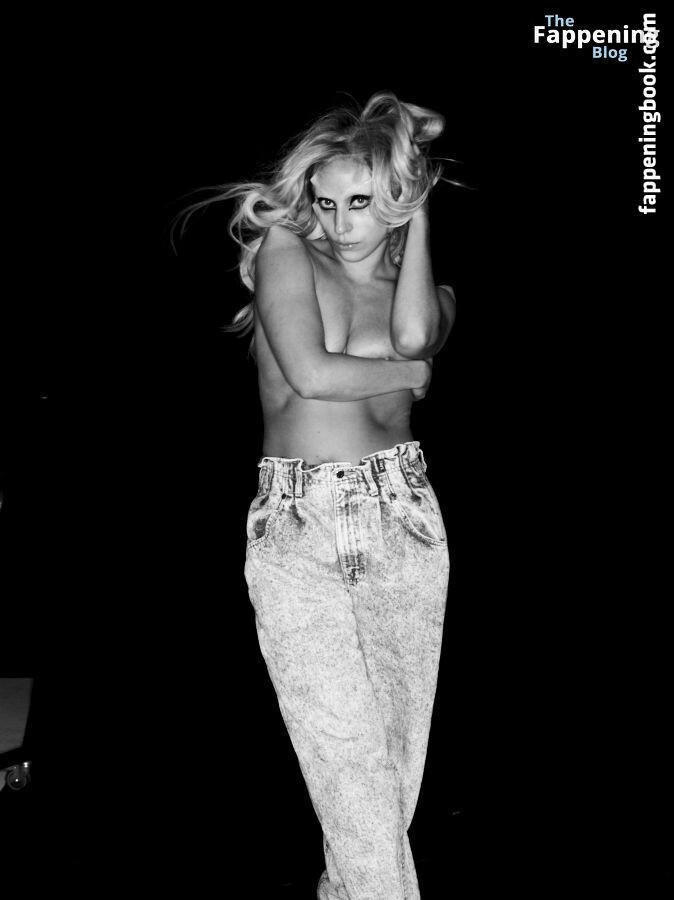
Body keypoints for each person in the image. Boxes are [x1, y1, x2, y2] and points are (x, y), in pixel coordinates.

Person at [174, 90, 457, 900]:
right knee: (350, 771)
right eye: (327, 203)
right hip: (298, 524)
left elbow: (415, 334)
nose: (339, 222)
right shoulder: (286, 249)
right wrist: (409, 374)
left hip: (403, 518)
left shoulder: (432, 296)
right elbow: (311, 373)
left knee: (385, 783)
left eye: (362, 202)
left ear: (399, 197)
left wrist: (420, 215)